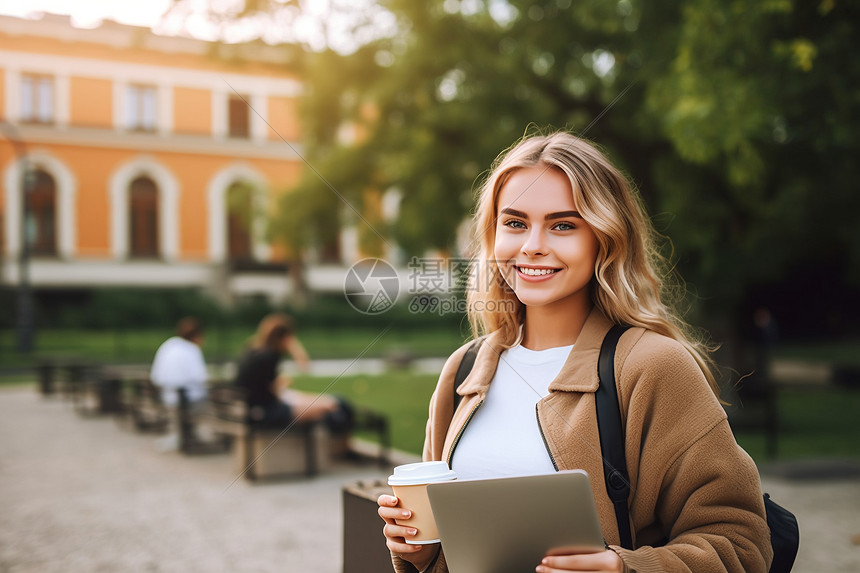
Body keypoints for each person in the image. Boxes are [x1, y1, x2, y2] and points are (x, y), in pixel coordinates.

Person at [378, 132, 772, 573]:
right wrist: (420, 550)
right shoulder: (465, 369)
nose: (532, 245)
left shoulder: (651, 366)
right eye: (514, 223)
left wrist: (623, 568)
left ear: (603, 239)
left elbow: (741, 545)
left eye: (563, 225)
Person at [234, 313, 351, 431]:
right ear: (285, 338)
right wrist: (294, 346)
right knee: (332, 405)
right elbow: (304, 367)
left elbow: (261, 385)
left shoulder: (253, 350)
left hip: (256, 408)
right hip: (266, 412)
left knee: (329, 402)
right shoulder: (268, 356)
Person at [149, 317, 209, 451]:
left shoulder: (168, 346)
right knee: (215, 401)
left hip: (166, 396)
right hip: (186, 401)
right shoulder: (192, 350)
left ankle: (184, 436)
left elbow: (155, 376)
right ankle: (191, 435)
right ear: (196, 335)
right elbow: (201, 377)